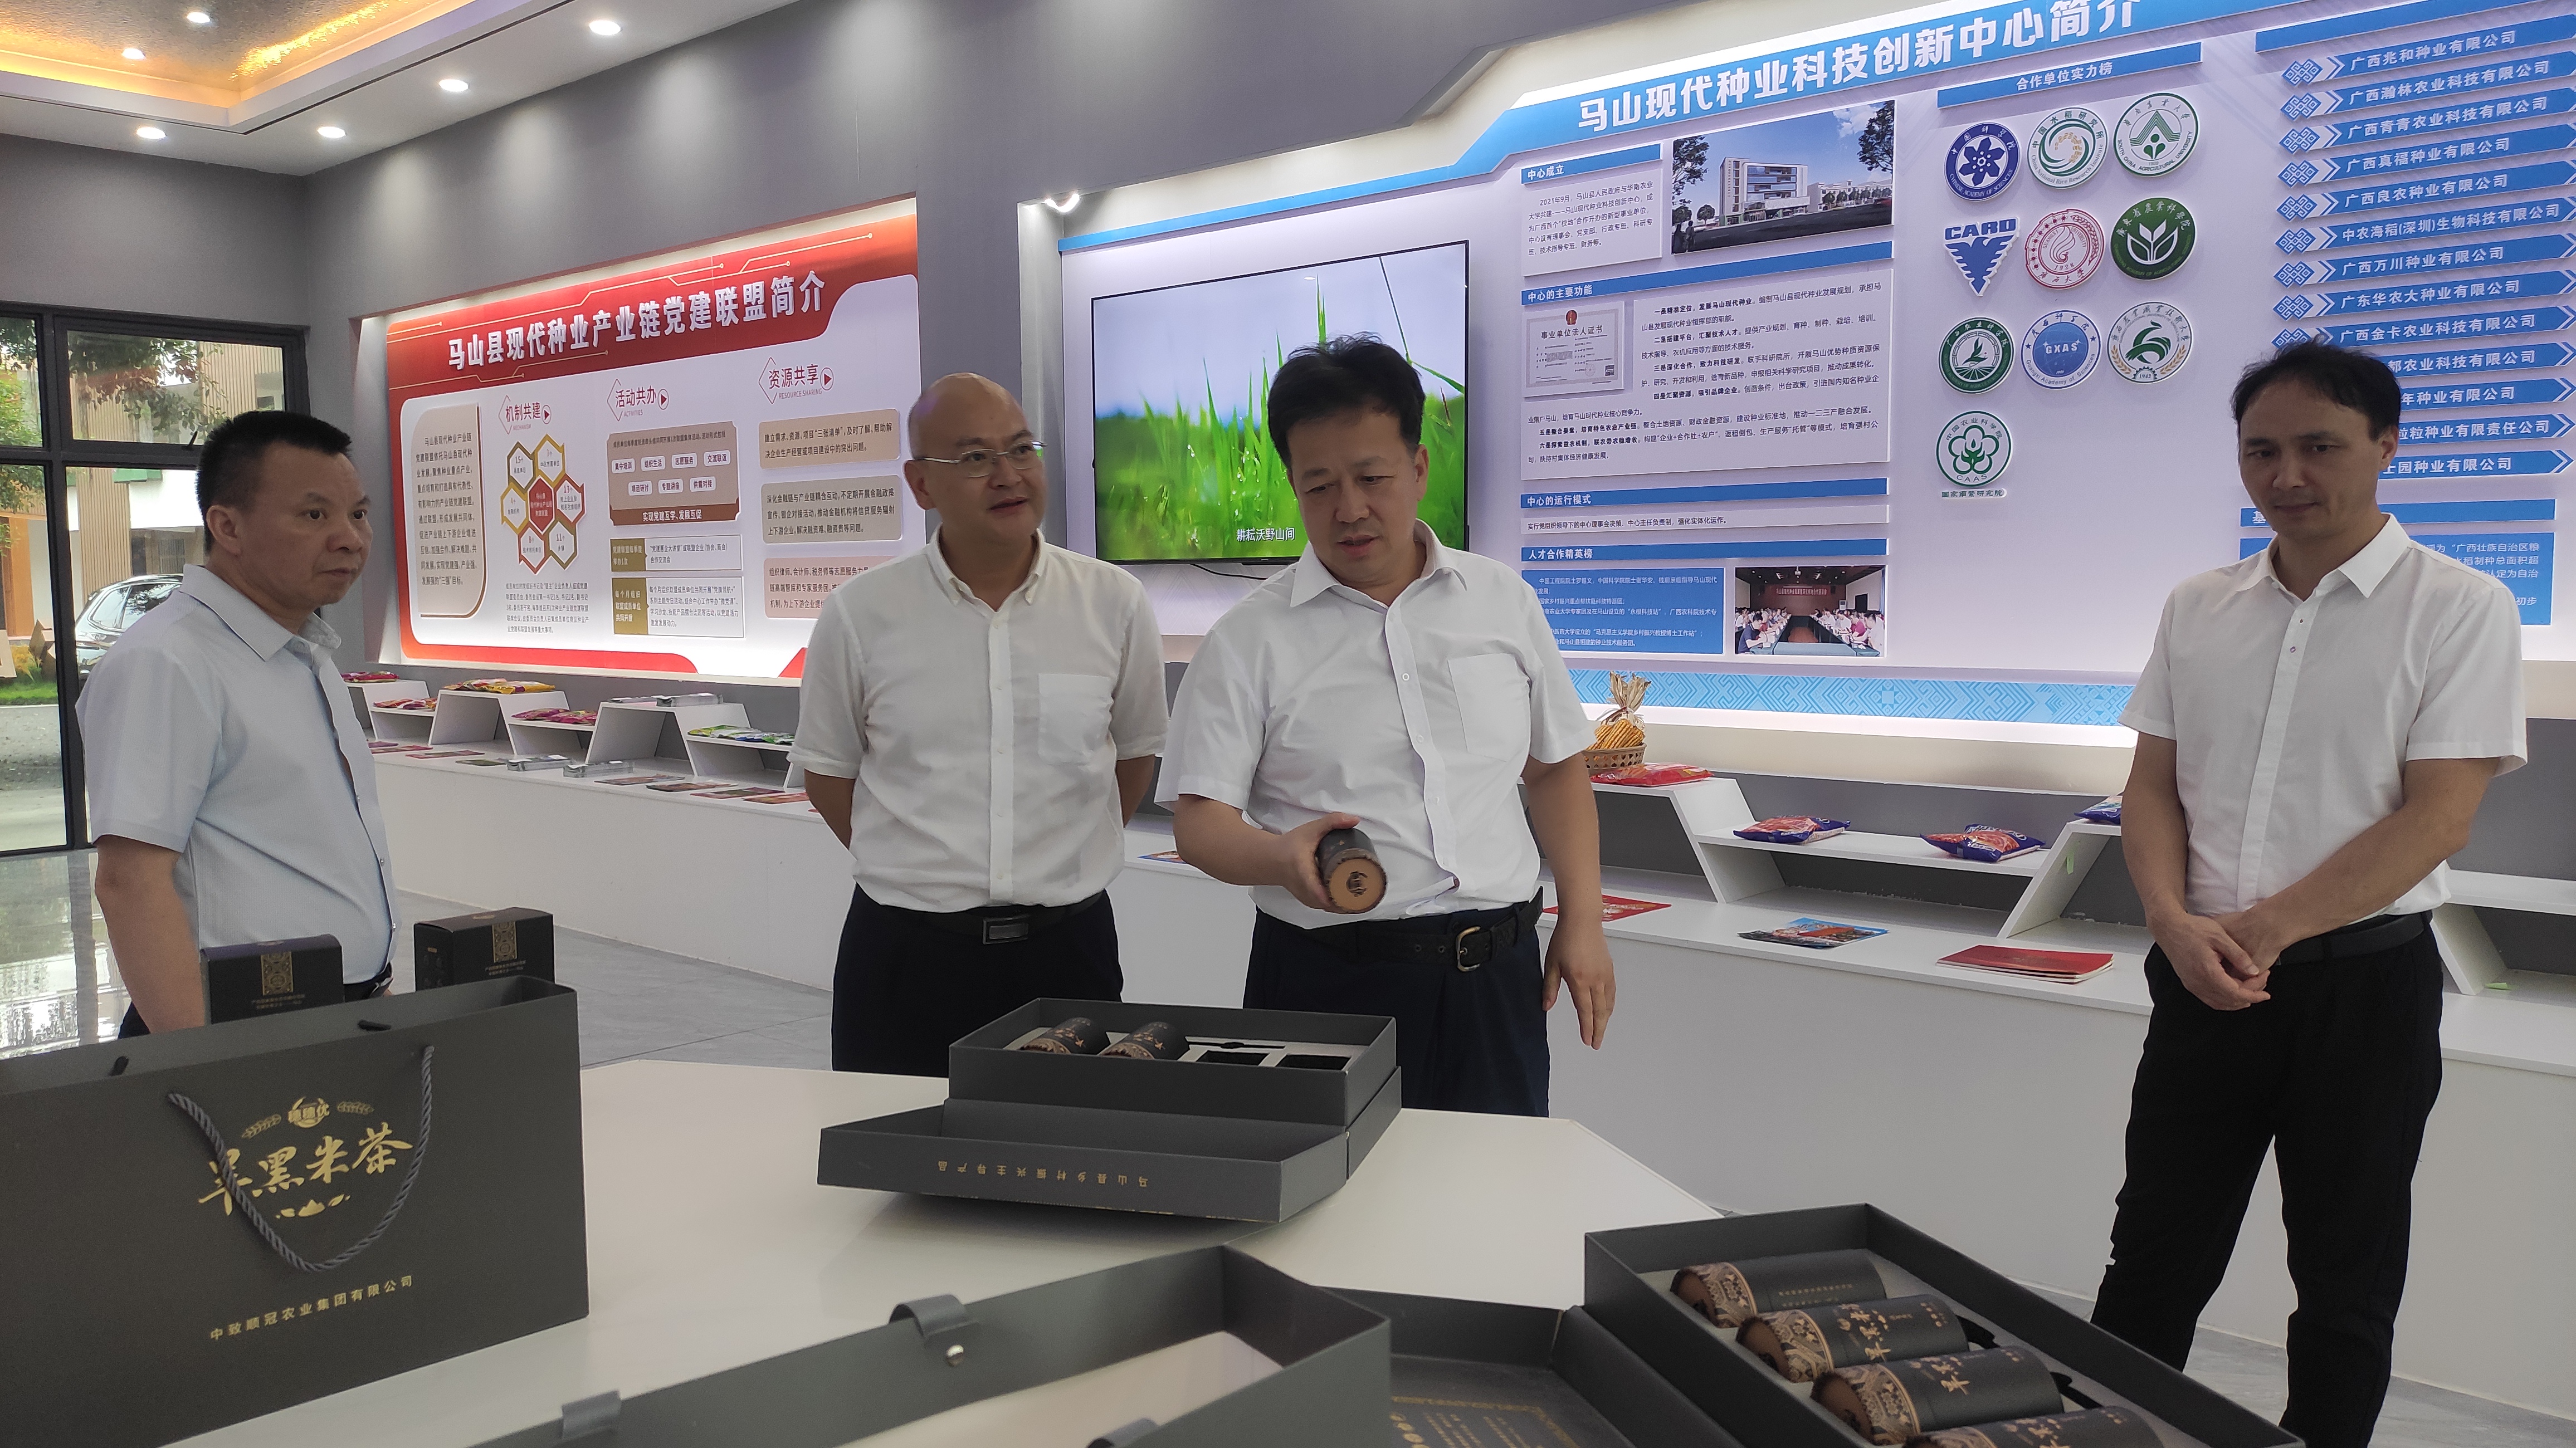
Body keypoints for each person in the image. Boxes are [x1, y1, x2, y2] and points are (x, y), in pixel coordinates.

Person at [2091, 341, 2524, 1447]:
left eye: (2318, 447)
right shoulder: (2198, 606)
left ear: (2384, 446)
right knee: (2151, 1256)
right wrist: (2170, 925)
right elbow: (2149, 788)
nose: (2285, 476)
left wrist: (2262, 929)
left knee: (2342, 1278)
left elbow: (2436, 818)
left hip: (2360, 992)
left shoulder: (2459, 607)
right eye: (2260, 451)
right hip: (2199, 980)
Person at [1160, 336, 1613, 1116]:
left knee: (1492, 1185)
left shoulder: (1501, 601)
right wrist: (1279, 858)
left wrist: (1584, 918)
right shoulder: (1248, 639)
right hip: (1325, 984)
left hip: (1494, 981)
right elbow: (1200, 823)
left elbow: (1553, 769)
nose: (1349, 509)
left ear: (1419, 468)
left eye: (1372, 478)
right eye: (1319, 486)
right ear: (1293, 487)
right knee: (1320, 1192)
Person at [790, 373, 1165, 1075]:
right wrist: (920, 867)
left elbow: (1134, 754)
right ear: (921, 483)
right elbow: (827, 773)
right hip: (907, 957)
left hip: (1067, 953)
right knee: (895, 1137)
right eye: (973, 457)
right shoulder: (860, 613)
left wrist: (1058, 859)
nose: (1007, 474)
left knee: (1068, 1141)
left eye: (1020, 449)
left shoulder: (1113, 602)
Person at [81, 411, 396, 1034]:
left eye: (358, 513)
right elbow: (130, 883)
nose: (349, 538)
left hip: (334, 1012)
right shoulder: (168, 660)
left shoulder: (306, 651)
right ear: (227, 526)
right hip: (239, 1025)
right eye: (314, 515)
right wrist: (209, 1066)